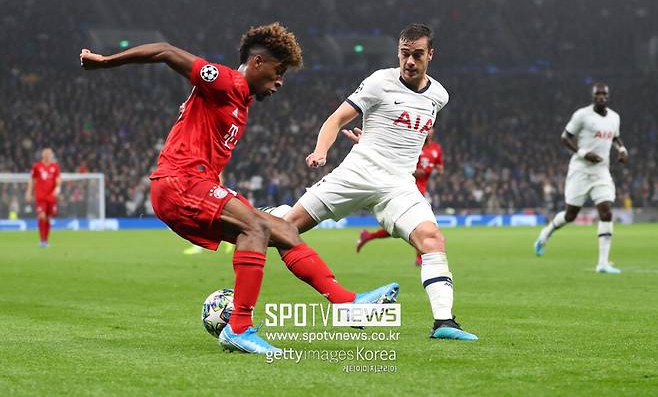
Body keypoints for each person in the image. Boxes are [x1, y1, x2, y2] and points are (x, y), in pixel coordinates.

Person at [80, 23, 398, 355]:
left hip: (196, 184)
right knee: (256, 227)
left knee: (284, 230)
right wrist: (105, 61)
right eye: (278, 72)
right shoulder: (225, 81)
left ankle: (347, 304)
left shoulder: (240, 102)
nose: (280, 82)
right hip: (179, 182)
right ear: (257, 62)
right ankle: (240, 328)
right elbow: (165, 51)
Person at [281, 24, 477, 340]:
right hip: (358, 173)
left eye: (417, 54)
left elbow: (406, 135)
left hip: (398, 185)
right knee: (286, 228)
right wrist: (321, 151)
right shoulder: (379, 82)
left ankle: (444, 323)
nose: (409, 61)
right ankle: (273, 220)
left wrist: (373, 138)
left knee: (431, 239)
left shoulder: (439, 96)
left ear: (430, 54)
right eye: (404, 53)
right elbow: (336, 119)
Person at [534, 83, 628, 273]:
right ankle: (546, 233)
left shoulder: (614, 117)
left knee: (606, 212)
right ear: (593, 96)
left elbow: (615, 137)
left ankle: (603, 263)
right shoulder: (582, 115)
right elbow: (565, 137)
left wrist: (622, 149)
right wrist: (584, 153)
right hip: (580, 171)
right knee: (570, 215)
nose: (601, 97)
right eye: (598, 94)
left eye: (604, 94)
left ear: (608, 96)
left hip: (601, 171)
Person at [352, 127, 444, 266]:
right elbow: (400, 166)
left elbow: (440, 168)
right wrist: (415, 172)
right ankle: (420, 257)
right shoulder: (414, 146)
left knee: (405, 226)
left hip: (421, 189)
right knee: (418, 224)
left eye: (431, 129)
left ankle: (368, 236)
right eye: (427, 129)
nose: (429, 131)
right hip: (407, 188)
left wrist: (434, 169)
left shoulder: (436, 148)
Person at [25, 148, 61, 247]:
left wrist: (57, 188)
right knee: (42, 216)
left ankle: (46, 240)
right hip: (40, 196)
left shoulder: (55, 167)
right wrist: (29, 192)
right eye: (47, 154)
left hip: (51, 197)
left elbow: (58, 179)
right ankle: (42, 240)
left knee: (48, 218)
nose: (49, 156)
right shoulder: (37, 166)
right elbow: (32, 179)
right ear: (43, 155)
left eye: (50, 154)